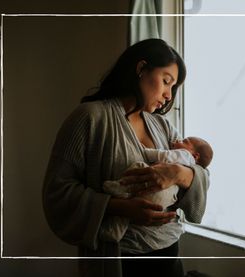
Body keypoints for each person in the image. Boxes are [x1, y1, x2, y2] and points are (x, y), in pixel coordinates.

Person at [42, 38, 210, 277]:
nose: (168, 95)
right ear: (141, 69)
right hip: (118, 259)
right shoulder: (89, 118)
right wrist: (120, 207)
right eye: (166, 82)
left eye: (173, 88)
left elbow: (199, 170)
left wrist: (178, 174)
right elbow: (56, 193)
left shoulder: (162, 126)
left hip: (169, 254)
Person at [101, 136, 213, 243]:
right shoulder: (190, 161)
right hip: (164, 203)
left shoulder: (186, 155)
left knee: (139, 168)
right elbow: (201, 176)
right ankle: (114, 232)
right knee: (125, 216)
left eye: (184, 141)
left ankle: (119, 187)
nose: (177, 139)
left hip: (157, 191)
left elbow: (163, 156)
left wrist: (144, 150)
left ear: (195, 156)